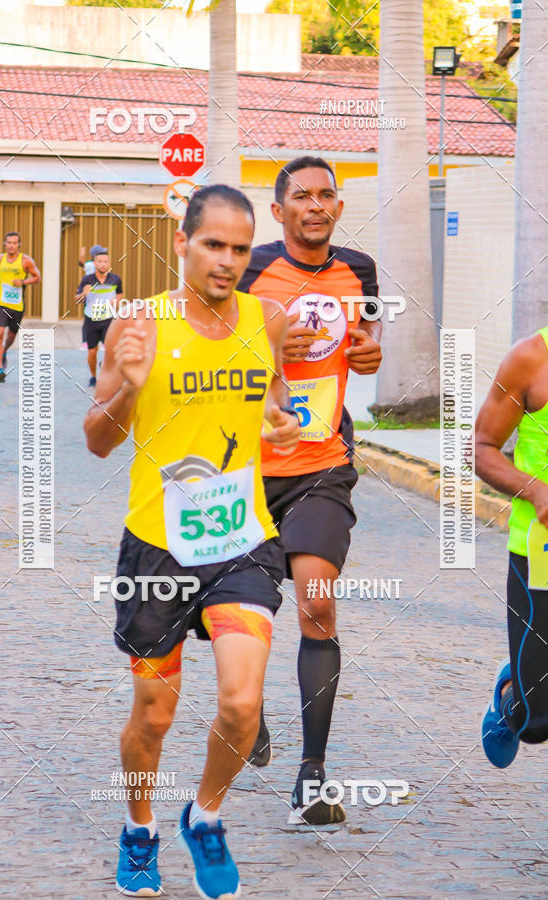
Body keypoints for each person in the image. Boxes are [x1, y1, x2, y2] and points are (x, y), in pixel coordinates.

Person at [84, 184, 300, 899]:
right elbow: (96, 441)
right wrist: (127, 391)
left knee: (241, 705)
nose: (228, 261)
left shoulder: (266, 319)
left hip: (242, 539)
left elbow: (273, 401)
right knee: (154, 714)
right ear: (182, 243)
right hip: (158, 548)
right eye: (214, 245)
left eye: (240, 249)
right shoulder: (138, 324)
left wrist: (281, 422)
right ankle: (140, 828)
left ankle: (204, 816)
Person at [237, 155, 383, 825]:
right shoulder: (249, 267)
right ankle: (250, 709)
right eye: (302, 196)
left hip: (321, 465)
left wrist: (370, 351)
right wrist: (264, 345)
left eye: (327, 194)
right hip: (241, 469)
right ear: (280, 209)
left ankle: (313, 776)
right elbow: (209, 346)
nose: (316, 204)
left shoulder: (362, 270)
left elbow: (366, 337)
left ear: (338, 207)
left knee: (316, 607)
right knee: (244, 615)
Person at [476, 326, 548, 768]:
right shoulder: (531, 359)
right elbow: (483, 448)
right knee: (536, 723)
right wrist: (536, 491)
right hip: (539, 552)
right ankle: (511, 694)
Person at [0, 231, 41, 382]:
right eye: (9, 242)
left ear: (19, 245)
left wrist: (23, 282)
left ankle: (4, 351)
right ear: (5, 244)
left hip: (17, 306)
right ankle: (0, 369)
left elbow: (37, 278)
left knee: (11, 336)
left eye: (15, 243)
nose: (11, 245)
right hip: (0, 303)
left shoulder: (26, 261)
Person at [76, 246, 122, 387]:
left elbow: (120, 294)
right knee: (92, 352)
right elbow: (77, 299)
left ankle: (106, 367)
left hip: (108, 319)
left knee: (112, 350)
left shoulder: (115, 279)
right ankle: (93, 377)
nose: (103, 264)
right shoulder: (87, 279)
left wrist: (116, 301)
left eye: (105, 261)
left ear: (109, 263)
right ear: (94, 264)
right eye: (100, 261)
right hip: (91, 319)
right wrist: (84, 294)